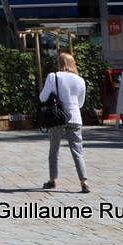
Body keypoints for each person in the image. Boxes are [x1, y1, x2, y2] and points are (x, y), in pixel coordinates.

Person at [39, 52, 89, 194]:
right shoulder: (80, 80)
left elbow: (43, 98)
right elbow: (80, 103)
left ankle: (52, 180)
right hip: (75, 117)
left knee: (54, 150)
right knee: (77, 150)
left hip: (57, 118)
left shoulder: (53, 76)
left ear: (59, 63)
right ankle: (84, 181)